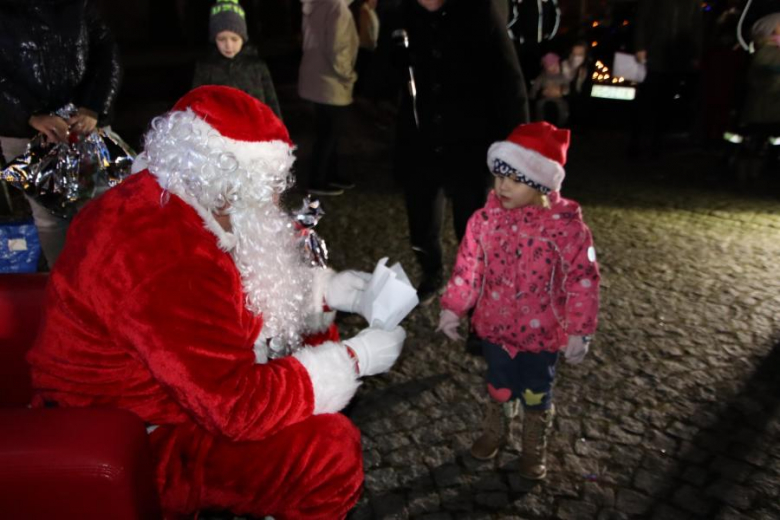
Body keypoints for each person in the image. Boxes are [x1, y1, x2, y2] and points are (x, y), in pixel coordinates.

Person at [27, 86, 407, 519]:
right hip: (131, 432)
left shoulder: (179, 199)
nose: (275, 200)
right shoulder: (163, 251)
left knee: (319, 335)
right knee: (326, 452)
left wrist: (329, 291)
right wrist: (354, 360)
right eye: (267, 185)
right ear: (224, 182)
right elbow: (236, 408)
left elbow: (232, 292)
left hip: (164, 397)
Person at [436, 122, 600, 480]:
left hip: (541, 335)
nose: (503, 186)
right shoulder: (484, 221)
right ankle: (495, 429)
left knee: (536, 390)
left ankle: (532, 443)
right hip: (494, 327)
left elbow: (582, 279)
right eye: (499, 176)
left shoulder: (566, 229)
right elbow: (468, 269)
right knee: (498, 384)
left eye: (515, 179)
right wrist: (453, 307)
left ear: (540, 183)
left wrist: (579, 330)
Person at [392, 0, 529, 304]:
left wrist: (517, 146)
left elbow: (510, 81)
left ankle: (476, 292)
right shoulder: (402, 14)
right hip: (421, 140)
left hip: (471, 141)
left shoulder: (480, 11)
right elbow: (384, 74)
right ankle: (432, 273)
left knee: (472, 223)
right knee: (421, 220)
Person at [0, 0, 121, 268]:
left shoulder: (79, 5)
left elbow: (104, 50)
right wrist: (30, 116)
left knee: (103, 208)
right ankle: (64, 286)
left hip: (83, 124)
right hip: (24, 131)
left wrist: (93, 106)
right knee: (50, 218)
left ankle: (110, 282)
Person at [298, 0, 360, 196]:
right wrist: (348, 75)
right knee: (330, 132)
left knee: (326, 131)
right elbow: (339, 48)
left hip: (316, 76)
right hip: (331, 80)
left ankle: (329, 174)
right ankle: (319, 179)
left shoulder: (318, 4)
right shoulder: (337, 7)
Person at [630, 0, 703, 158]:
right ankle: (638, 142)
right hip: (655, 56)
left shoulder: (692, 4)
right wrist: (640, 46)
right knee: (647, 101)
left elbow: (696, 27)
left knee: (665, 103)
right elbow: (642, 20)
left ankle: (656, 143)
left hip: (676, 58)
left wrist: (695, 54)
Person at [192, 0, 282, 119]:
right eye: (221, 39)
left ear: (243, 38)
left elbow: (272, 104)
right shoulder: (205, 68)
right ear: (214, 39)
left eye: (234, 39)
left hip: (254, 127)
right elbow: (195, 104)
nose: (228, 45)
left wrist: (278, 128)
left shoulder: (257, 66)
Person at [530, 52, 570, 126]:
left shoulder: (561, 76)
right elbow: (535, 86)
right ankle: (540, 123)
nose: (555, 68)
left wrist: (563, 91)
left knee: (563, 107)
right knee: (539, 105)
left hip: (558, 98)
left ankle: (561, 124)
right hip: (545, 97)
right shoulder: (542, 77)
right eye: (551, 66)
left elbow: (566, 86)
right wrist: (532, 95)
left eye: (556, 65)